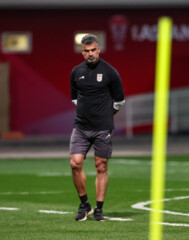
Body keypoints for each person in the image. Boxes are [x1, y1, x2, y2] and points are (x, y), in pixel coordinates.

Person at [69, 34, 125, 221]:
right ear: (82, 52)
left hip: (103, 128)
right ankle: (85, 205)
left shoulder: (110, 71)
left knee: (101, 166)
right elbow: (75, 98)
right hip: (81, 127)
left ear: (99, 49)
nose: (91, 53)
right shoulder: (76, 72)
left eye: (93, 50)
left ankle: (99, 209)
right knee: (75, 163)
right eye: (87, 51)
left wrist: (107, 115)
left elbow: (120, 100)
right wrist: (87, 112)